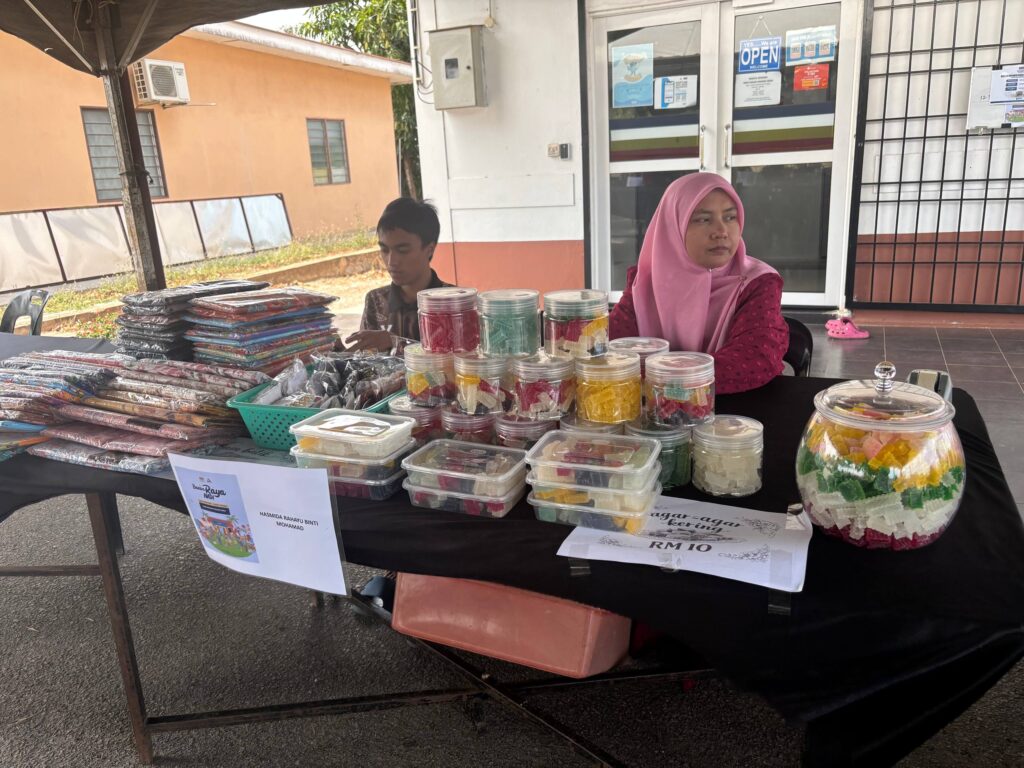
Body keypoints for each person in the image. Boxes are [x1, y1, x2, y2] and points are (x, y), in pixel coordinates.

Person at [609, 173, 788, 394]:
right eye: (703, 219)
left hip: (736, 408)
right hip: (655, 410)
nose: (721, 232)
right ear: (672, 227)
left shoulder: (758, 283)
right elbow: (613, 348)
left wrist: (661, 382)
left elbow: (754, 358)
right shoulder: (646, 280)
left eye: (730, 217)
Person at [344, 197, 452, 352]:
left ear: (429, 249)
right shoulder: (376, 301)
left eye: (403, 250)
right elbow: (367, 362)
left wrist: (395, 343)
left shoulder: (456, 304)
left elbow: (462, 358)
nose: (391, 261)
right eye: (384, 250)